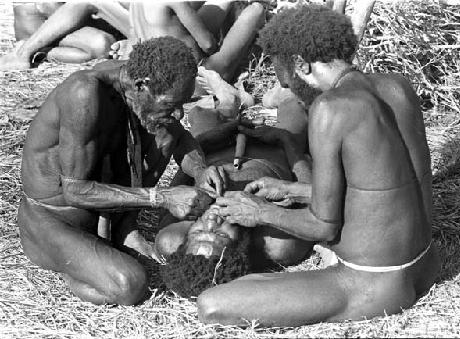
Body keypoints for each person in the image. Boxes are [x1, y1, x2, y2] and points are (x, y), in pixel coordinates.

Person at [195, 4, 441, 327]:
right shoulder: (397, 86)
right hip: (426, 264)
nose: (285, 88)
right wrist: (293, 190)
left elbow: (323, 226)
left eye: (284, 79)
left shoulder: (330, 108)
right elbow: (379, 189)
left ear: (302, 65)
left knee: (211, 305)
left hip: (373, 283)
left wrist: (257, 211)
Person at [17, 36, 225, 306]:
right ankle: (76, 266)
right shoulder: (84, 95)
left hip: (102, 213)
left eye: (182, 105)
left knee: (163, 130)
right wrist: (162, 197)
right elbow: (74, 191)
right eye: (171, 105)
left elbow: (179, 135)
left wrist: (200, 170)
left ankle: (123, 230)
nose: (179, 114)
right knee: (130, 286)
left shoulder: (141, 78)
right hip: (54, 219)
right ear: (141, 86)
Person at [154, 70, 315, 298]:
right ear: (241, 250)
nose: (211, 222)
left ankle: (229, 103)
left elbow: (176, 190)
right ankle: (275, 97)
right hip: (273, 149)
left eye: (198, 231)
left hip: (214, 150)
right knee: (295, 110)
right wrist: (286, 142)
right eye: (221, 235)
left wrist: (203, 159)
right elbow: (313, 200)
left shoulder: (171, 238)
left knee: (200, 114)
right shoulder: (278, 244)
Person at [110, 1, 266, 82]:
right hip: (195, 78)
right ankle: (231, 68)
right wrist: (223, 51)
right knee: (256, 10)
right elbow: (207, 44)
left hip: (159, 77)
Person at [0, 2, 129, 70]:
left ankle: (37, 49)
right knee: (102, 43)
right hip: (38, 19)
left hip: (73, 18)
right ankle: (22, 52)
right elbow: (45, 6)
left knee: (104, 45)